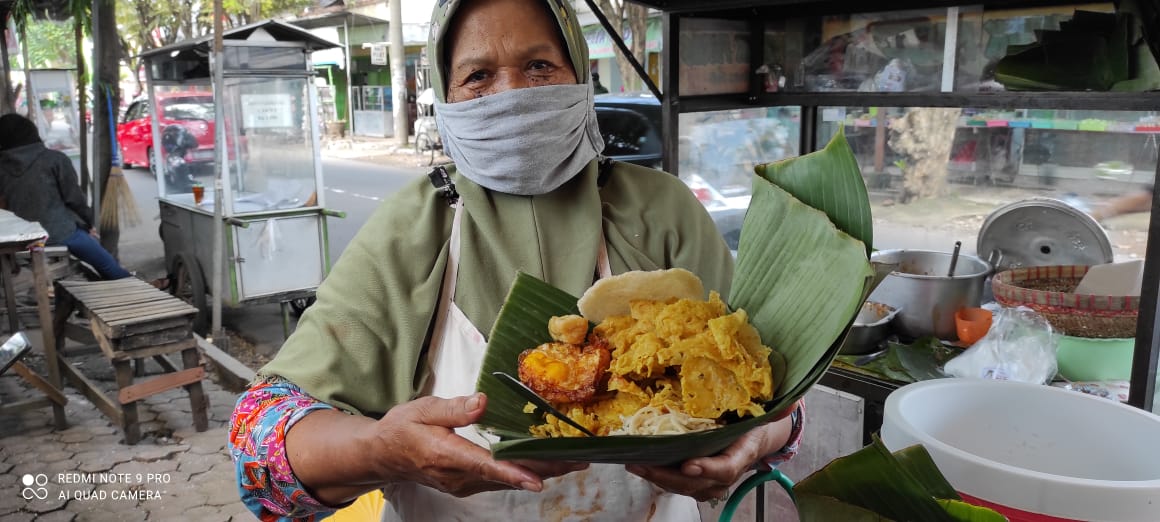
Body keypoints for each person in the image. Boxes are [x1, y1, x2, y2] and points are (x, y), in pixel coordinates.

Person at [228, 1, 804, 520]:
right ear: (445, 97)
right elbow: (260, 446)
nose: (513, 94)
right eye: (478, 76)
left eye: (539, 67)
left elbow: (775, 391)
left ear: (580, 75)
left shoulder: (660, 209)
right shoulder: (412, 227)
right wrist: (382, 451)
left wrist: (755, 442)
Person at [0, 113, 131, 280]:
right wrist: (88, 223)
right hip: (61, 233)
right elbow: (74, 199)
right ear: (32, 133)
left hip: (19, 241)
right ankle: (134, 290)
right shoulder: (54, 160)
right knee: (108, 266)